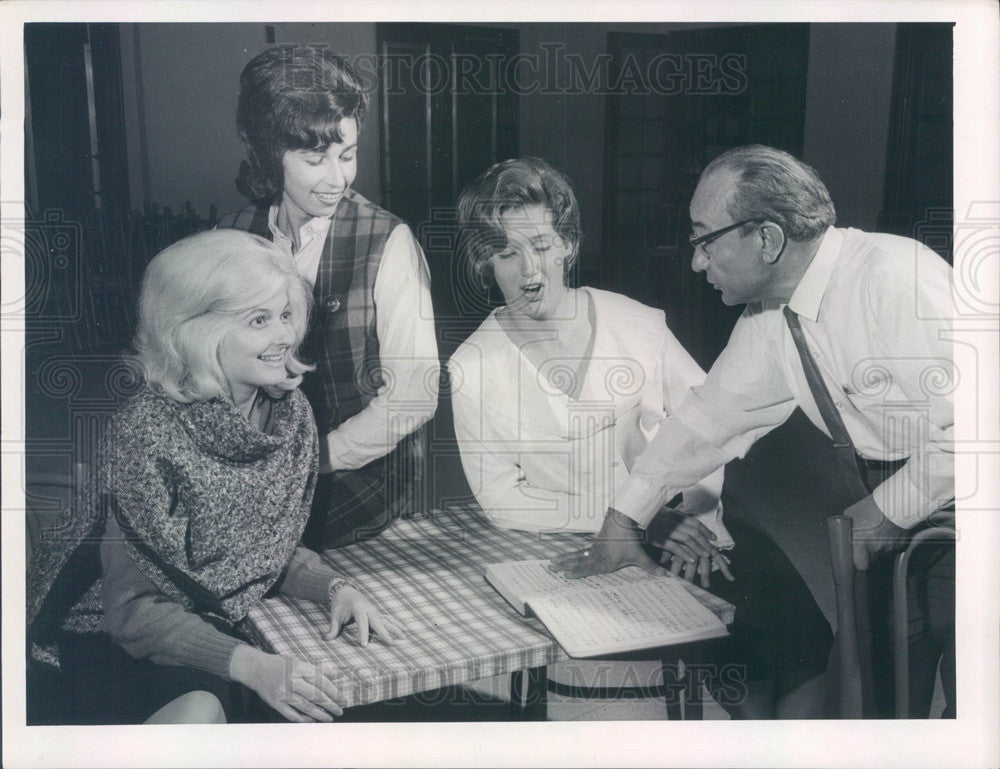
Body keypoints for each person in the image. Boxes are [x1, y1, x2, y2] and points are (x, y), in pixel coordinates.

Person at [552, 144, 955, 718]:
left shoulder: (896, 279)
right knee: (882, 703)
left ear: (766, 239)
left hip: (971, 513)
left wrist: (889, 509)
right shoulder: (775, 314)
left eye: (704, 238)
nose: (696, 262)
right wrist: (623, 521)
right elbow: (706, 420)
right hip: (904, 521)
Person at [450, 157, 833, 718]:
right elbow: (502, 499)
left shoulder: (637, 323)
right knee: (700, 667)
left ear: (568, 245)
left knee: (796, 642)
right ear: (487, 262)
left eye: (541, 244)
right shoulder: (473, 366)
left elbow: (707, 423)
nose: (530, 269)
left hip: (692, 520)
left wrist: (685, 508)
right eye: (507, 253)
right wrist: (635, 519)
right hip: (579, 544)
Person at [28, 230, 401, 724]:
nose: (285, 336)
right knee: (207, 713)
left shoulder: (292, 416)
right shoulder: (148, 430)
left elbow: (255, 553)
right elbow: (133, 610)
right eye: (259, 320)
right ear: (196, 332)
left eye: (287, 315)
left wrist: (335, 587)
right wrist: (252, 666)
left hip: (206, 620)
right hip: (102, 632)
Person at [221, 45, 439, 549]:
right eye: (315, 158)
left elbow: (414, 397)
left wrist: (314, 457)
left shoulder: (389, 242)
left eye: (347, 155)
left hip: (356, 477)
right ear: (268, 154)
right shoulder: (231, 237)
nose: (337, 178)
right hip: (253, 469)